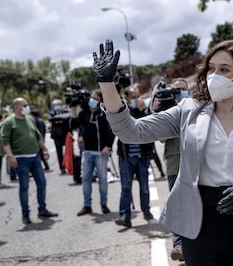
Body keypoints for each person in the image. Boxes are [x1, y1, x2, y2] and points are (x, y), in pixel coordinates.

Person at [93, 39, 233, 265]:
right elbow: (131, 132)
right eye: (211, 68)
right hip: (202, 225)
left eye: (224, 69)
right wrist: (106, 85)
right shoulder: (188, 111)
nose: (214, 75)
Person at [0, 98, 58, 224]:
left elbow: (37, 136)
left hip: (35, 157)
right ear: (16, 107)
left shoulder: (30, 119)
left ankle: (42, 210)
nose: (27, 107)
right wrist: (10, 156)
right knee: (24, 187)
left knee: (42, 183)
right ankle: (25, 214)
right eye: (25, 105)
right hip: (20, 159)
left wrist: (44, 149)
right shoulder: (9, 122)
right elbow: (5, 141)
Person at [153, 77, 190, 261]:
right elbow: (160, 138)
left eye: (181, 89)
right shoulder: (169, 111)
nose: (178, 92)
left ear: (188, 90)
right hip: (175, 164)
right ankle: (178, 245)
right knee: (177, 205)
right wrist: (162, 110)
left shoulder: (197, 107)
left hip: (196, 164)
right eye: (175, 89)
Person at [70, 90, 115, 216]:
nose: (91, 100)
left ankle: (103, 204)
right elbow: (73, 125)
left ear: (100, 100)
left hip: (101, 152)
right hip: (87, 152)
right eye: (91, 97)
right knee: (86, 179)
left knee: (103, 179)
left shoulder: (104, 114)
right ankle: (87, 205)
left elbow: (112, 131)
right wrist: (73, 110)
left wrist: (108, 146)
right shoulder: (84, 113)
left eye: (95, 98)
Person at [115, 85, 154, 228]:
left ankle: (146, 210)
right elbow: (124, 124)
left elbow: (149, 126)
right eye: (133, 97)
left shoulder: (144, 111)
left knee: (144, 186)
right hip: (126, 157)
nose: (137, 100)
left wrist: (142, 110)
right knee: (126, 187)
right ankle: (125, 216)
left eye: (138, 96)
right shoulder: (123, 111)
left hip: (142, 156)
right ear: (126, 98)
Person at [48, 99, 71, 175]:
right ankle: (62, 168)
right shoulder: (51, 113)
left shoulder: (66, 111)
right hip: (56, 136)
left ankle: (70, 166)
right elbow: (50, 119)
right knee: (59, 153)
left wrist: (57, 119)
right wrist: (61, 119)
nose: (56, 107)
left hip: (66, 134)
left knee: (69, 151)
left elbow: (68, 117)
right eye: (54, 105)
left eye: (58, 105)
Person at [30, 107, 50, 172]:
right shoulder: (41, 120)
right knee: (41, 153)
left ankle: (40, 167)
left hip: (36, 139)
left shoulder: (33, 121)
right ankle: (46, 166)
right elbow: (44, 130)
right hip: (41, 138)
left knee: (37, 153)